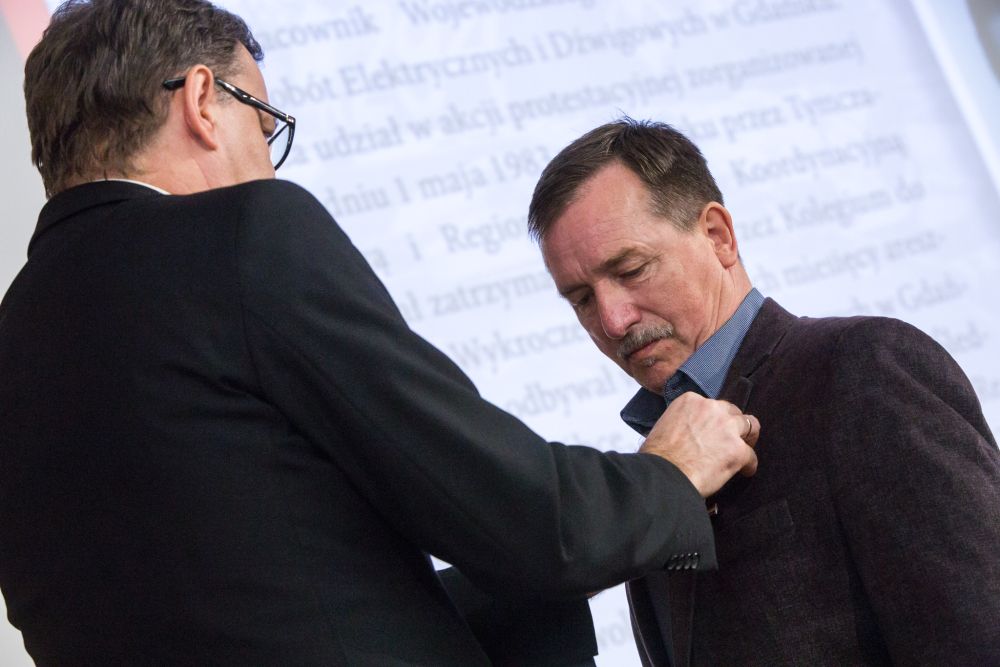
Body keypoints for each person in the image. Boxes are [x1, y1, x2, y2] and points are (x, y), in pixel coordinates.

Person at [0, 3, 761, 665]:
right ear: (203, 100)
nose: (269, 164)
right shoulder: (242, 234)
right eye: (264, 125)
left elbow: (246, 597)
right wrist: (666, 476)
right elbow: (510, 512)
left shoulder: (17, 332)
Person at [528, 118, 1000, 666]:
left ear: (718, 236)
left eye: (631, 270)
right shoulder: (656, 469)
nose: (612, 320)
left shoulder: (861, 368)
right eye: (582, 300)